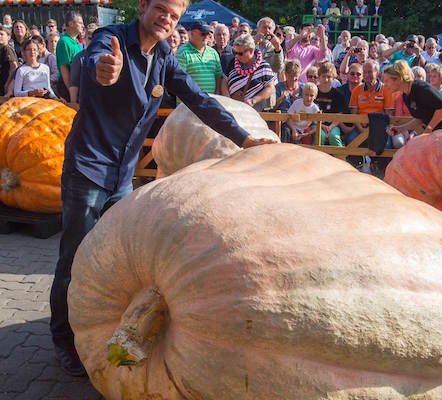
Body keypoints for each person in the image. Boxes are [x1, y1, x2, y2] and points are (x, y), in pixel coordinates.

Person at [50, 0, 276, 378]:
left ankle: (98, 325)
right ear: (143, 7)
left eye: (173, 15)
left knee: (115, 259)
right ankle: (63, 339)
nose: (166, 20)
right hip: (88, 170)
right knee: (73, 258)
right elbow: (95, 63)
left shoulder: (164, 58)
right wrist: (104, 70)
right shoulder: (112, 39)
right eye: (161, 9)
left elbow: (199, 100)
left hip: (122, 177)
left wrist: (243, 138)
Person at [383, 60, 442, 140]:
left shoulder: (421, 88)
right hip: (437, 131)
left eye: (387, 81)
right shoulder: (406, 95)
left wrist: (428, 130)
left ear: (398, 79)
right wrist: (400, 128)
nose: (385, 84)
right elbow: (420, 118)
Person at [221, 33, 277, 111]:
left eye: (240, 53)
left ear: (251, 50)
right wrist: (227, 98)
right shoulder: (233, 62)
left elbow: (270, 88)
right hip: (234, 109)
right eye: (235, 53)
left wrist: (253, 100)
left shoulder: (263, 66)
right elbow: (224, 80)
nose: (237, 56)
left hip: (255, 112)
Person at [176, 23, 222, 94]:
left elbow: (218, 75)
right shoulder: (182, 52)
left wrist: (217, 92)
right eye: (203, 34)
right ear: (192, 34)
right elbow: (180, 79)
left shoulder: (213, 52)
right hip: (188, 101)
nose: (206, 36)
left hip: (210, 100)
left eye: (208, 34)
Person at [315, 61, 346, 146]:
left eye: (329, 77)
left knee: (334, 137)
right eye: (323, 76)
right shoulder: (313, 93)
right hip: (317, 124)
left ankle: (340, 158)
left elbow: (339, 114)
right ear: (319, 77)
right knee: (320, 136)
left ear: (333, 78)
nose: (326, 79)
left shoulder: (338, 95)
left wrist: (330, 127)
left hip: (333, 125)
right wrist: (322, 126)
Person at [56, 11, 84, 101]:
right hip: (68, 85)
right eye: (80, 23)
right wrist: (71, 91)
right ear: (71, 23)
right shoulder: (64, 42)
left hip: (78, 83)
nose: (82, 25)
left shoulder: (77, 42)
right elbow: (64, 68)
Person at [274, 59, 303, 142]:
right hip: (284, 121)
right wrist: (281, 98)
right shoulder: (279, 87)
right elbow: (272, 108)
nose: (293, 78)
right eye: (291, 76)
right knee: (286, 130)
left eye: (296, 76)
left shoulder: (303, 88)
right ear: (285, 74)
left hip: (299, 120)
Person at [69, 25, 98, 103]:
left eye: (95, 38)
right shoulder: (79, 58)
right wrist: (73, 104)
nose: (92, 41)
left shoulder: (106, 55)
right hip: (85, 102)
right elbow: (74, 83)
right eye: (89, 38)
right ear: (84, 39)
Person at [0, 27, 17, 97]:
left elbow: (14, 67)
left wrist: (8, 83)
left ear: (8, 37)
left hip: (5, 86)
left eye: (1, 34)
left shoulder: (6, 49)